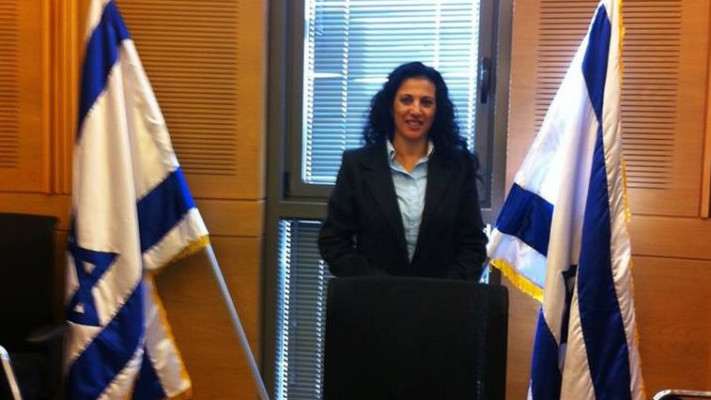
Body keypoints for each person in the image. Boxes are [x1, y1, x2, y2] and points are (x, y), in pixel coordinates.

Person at [318, 61, 488, 280]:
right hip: (372, 297)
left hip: (440, 298)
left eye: (426, 102)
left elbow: (472, 245)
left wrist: (443, 291)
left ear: (437, 110)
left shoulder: (458, 167)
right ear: (391, 106)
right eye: (406, 100)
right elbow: (333, 241)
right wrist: (379, 286)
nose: (416, 110)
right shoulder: (357, 165)